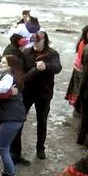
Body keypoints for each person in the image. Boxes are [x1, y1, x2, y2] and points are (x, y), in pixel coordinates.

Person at [21, 30, 61, 159]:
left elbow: (58, 68)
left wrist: (46, 66)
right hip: (28, 91)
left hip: (44, 92)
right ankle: (16, 148)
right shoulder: (26, 52)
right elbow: (22, 71)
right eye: (34, 42)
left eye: (39, 42)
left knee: (42, 121)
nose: (36, 44)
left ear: (45, 41)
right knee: (20, 119)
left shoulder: (52, 53)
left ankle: (40, 148)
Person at [65, 25, 88, 112]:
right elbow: (82, 59)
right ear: (85, 34)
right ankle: (78, 106)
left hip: (82, 69)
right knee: (79, 89)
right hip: (81, 70)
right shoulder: (83, 44)